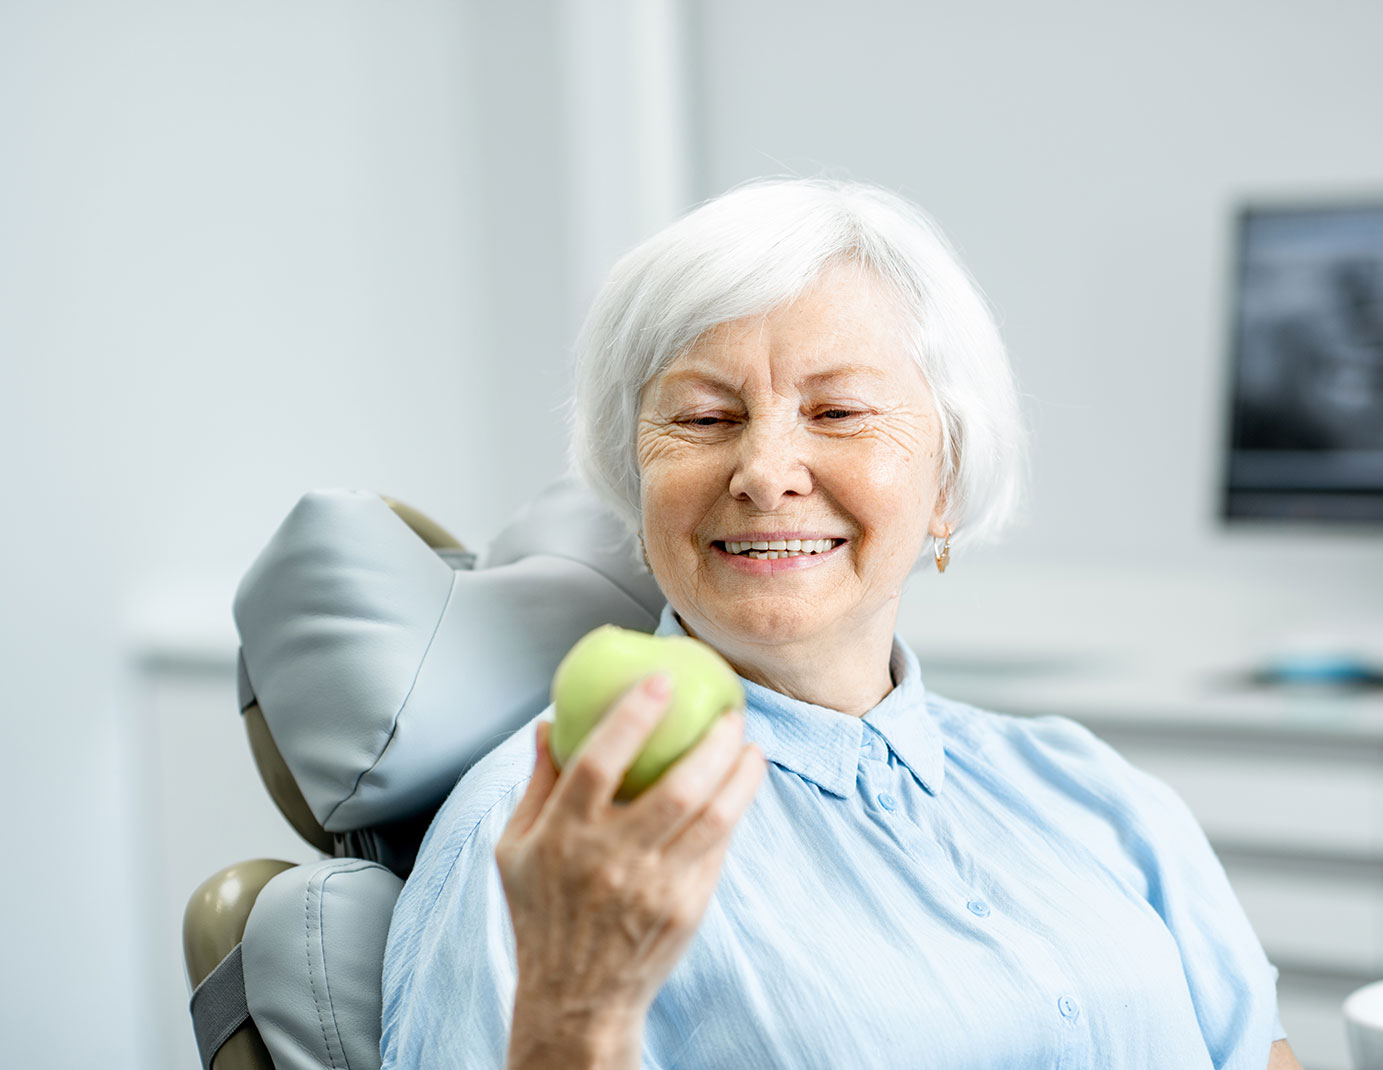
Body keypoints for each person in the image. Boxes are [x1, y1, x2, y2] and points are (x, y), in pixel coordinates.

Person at [380, 178, 1302, 1070]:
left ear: (945, 481)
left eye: (838, 412)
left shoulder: (1096, 794)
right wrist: (576, 1013)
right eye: (705, 417)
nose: (764, 469)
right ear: (638, 483)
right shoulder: (542, 835)